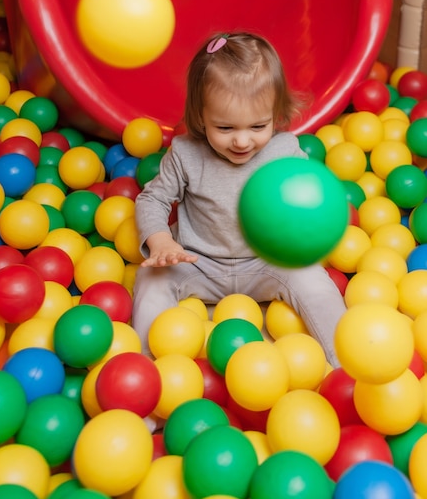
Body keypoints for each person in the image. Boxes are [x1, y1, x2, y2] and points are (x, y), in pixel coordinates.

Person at [132, 31, 346, 368]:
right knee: (150, 280)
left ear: (275, 114)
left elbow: (309, 201)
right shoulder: (186, 153)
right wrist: (160, 243)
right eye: (226, 128)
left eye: (258, 126)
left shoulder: (285, 151)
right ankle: (143, 370)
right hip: (197, 263)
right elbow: (152, 199)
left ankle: (345, 366)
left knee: (315, 281)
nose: (242, 141)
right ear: (201, 117)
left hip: (267, 262)